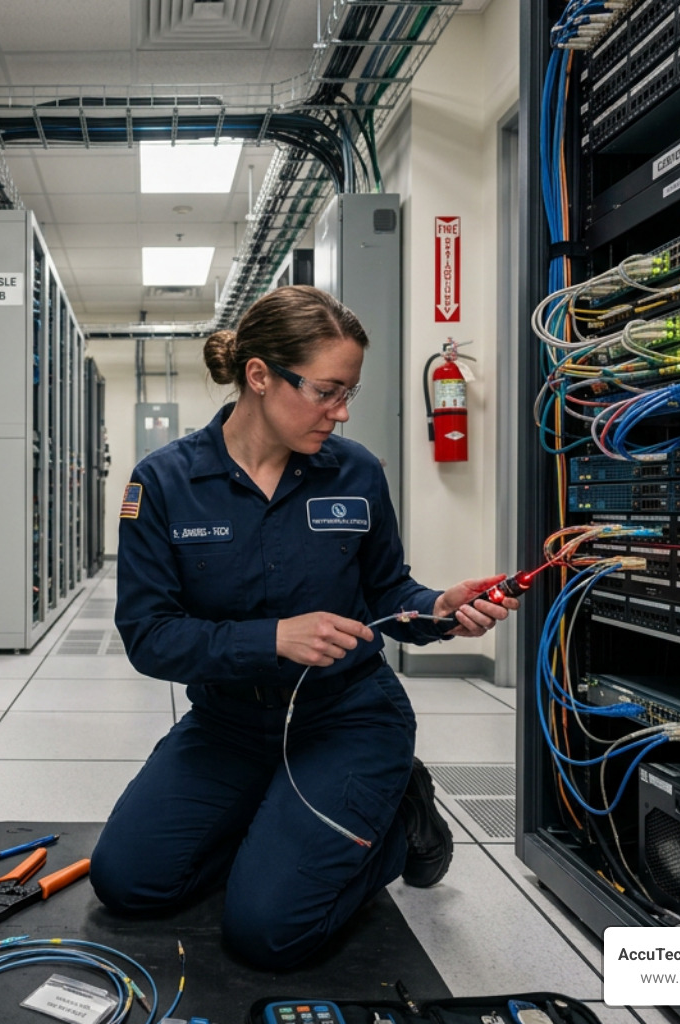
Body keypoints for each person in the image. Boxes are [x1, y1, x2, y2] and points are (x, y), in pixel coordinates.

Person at [89, 285, 518, 971]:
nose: (342, 412)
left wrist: (439, 608)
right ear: (259, 376)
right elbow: (148, 634)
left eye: (348, 392)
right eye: (326, 391)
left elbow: (388, 593)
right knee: (127, 882)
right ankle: (277, 825)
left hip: (343, 717)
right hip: (227, 724)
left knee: (267, 933)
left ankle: (403, 825)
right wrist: (271, 638)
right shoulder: (166, 483)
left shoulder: (355, 473)